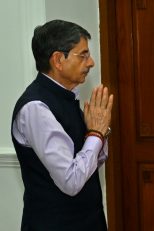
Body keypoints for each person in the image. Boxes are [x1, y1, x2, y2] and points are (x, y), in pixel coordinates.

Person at [11, 20, 113, 231]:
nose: (91, 62)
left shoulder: (67, 98)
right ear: (58, 59)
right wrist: (95, 134)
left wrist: (100, 133)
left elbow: (91, 162)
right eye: (83, 55)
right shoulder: (36, 108)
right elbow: (71, 181)